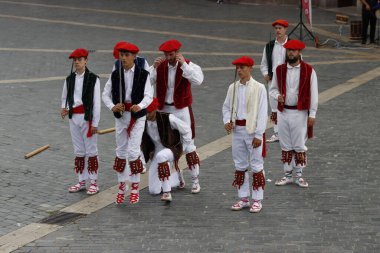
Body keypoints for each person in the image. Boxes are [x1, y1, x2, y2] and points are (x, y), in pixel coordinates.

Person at [149, 39, 204, 194]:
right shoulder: (160, 67)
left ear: (177, 53)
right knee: (167, 145)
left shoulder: (188, 65)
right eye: (166, 54)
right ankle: (177, 176)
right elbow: (148, 82)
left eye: (171, 54)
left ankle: (195, 180)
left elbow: (198, 80)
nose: (168, 57)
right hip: (164, 110)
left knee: (189, 145)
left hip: (181, 110)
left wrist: (184, 66)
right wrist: (153, 68)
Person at [102, 42, 153, 204]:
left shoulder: (143, 74)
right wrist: (113, 106)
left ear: (134, 57)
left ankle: (135, 186)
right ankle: (122, 185)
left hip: (137, 116)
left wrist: (141, 105)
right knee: (120, 151)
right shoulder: (115, 74)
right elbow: (105, 94)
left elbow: (148, 95)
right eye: (121, 55)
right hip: (121, 115)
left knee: (133, 151)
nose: (123, 58)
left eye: (126, 55)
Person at [270, 40, 318, 188]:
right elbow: (272, 89)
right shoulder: (279, 70)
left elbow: (314, 93)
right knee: (285, 144)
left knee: (299, 145)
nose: (291, 53)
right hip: (283, 111)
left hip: (300, 112)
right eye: (289, 50)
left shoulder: (309, 70)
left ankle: (299, 175)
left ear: (299, 52)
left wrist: (312, 114)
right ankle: (287, 175)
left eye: (294, 50)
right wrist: (277, 96)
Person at [222, 56, 268, 213]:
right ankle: (243, 198)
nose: (239, 70)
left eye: (242, 67)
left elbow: (262, 113)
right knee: (240, 164)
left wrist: (259, 134)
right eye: (237, 68)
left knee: (256, 164)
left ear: (250, 68)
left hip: (252, 130)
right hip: (237, 131)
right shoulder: (232, 88)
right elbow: (226, 107)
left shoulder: (259, 88)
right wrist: (227, 120)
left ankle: (257, 199)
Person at [61, 48, 101, 195]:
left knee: (91, 150)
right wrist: (64, 108)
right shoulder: (69, 79)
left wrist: (95, 123)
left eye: (79, 59)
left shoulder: (93, 79)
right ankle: (81, 181)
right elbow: (64, 97)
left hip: (87, 118)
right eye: (75, 60)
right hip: (74, 118)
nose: (76, 62)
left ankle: (94, 182)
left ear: (86, 60)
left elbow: (96, 103)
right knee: (79, 150)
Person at [141, 98, 195, 202]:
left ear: (155, 109)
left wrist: (182, 147)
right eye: (145, 112)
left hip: (171, 149)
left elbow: (187, 130)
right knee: (154, 191)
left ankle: (167, 192)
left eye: (149, 112)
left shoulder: (168, 118)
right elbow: (140, 142)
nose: (146, 115)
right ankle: (176, 177)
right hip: (157, 152)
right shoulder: (143, 123)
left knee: (162, 156)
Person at [260, 19, 289, 143]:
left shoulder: (292, 45)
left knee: (288, 105)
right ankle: (277, 132)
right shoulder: (269, 46)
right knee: (274, 107)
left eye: (280, 28)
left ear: (285, 29)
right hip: (273, 80)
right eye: (276, 28)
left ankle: (287, 132)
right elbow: (264, 63)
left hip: (288, 81)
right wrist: (265, 73)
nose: (278, 31)